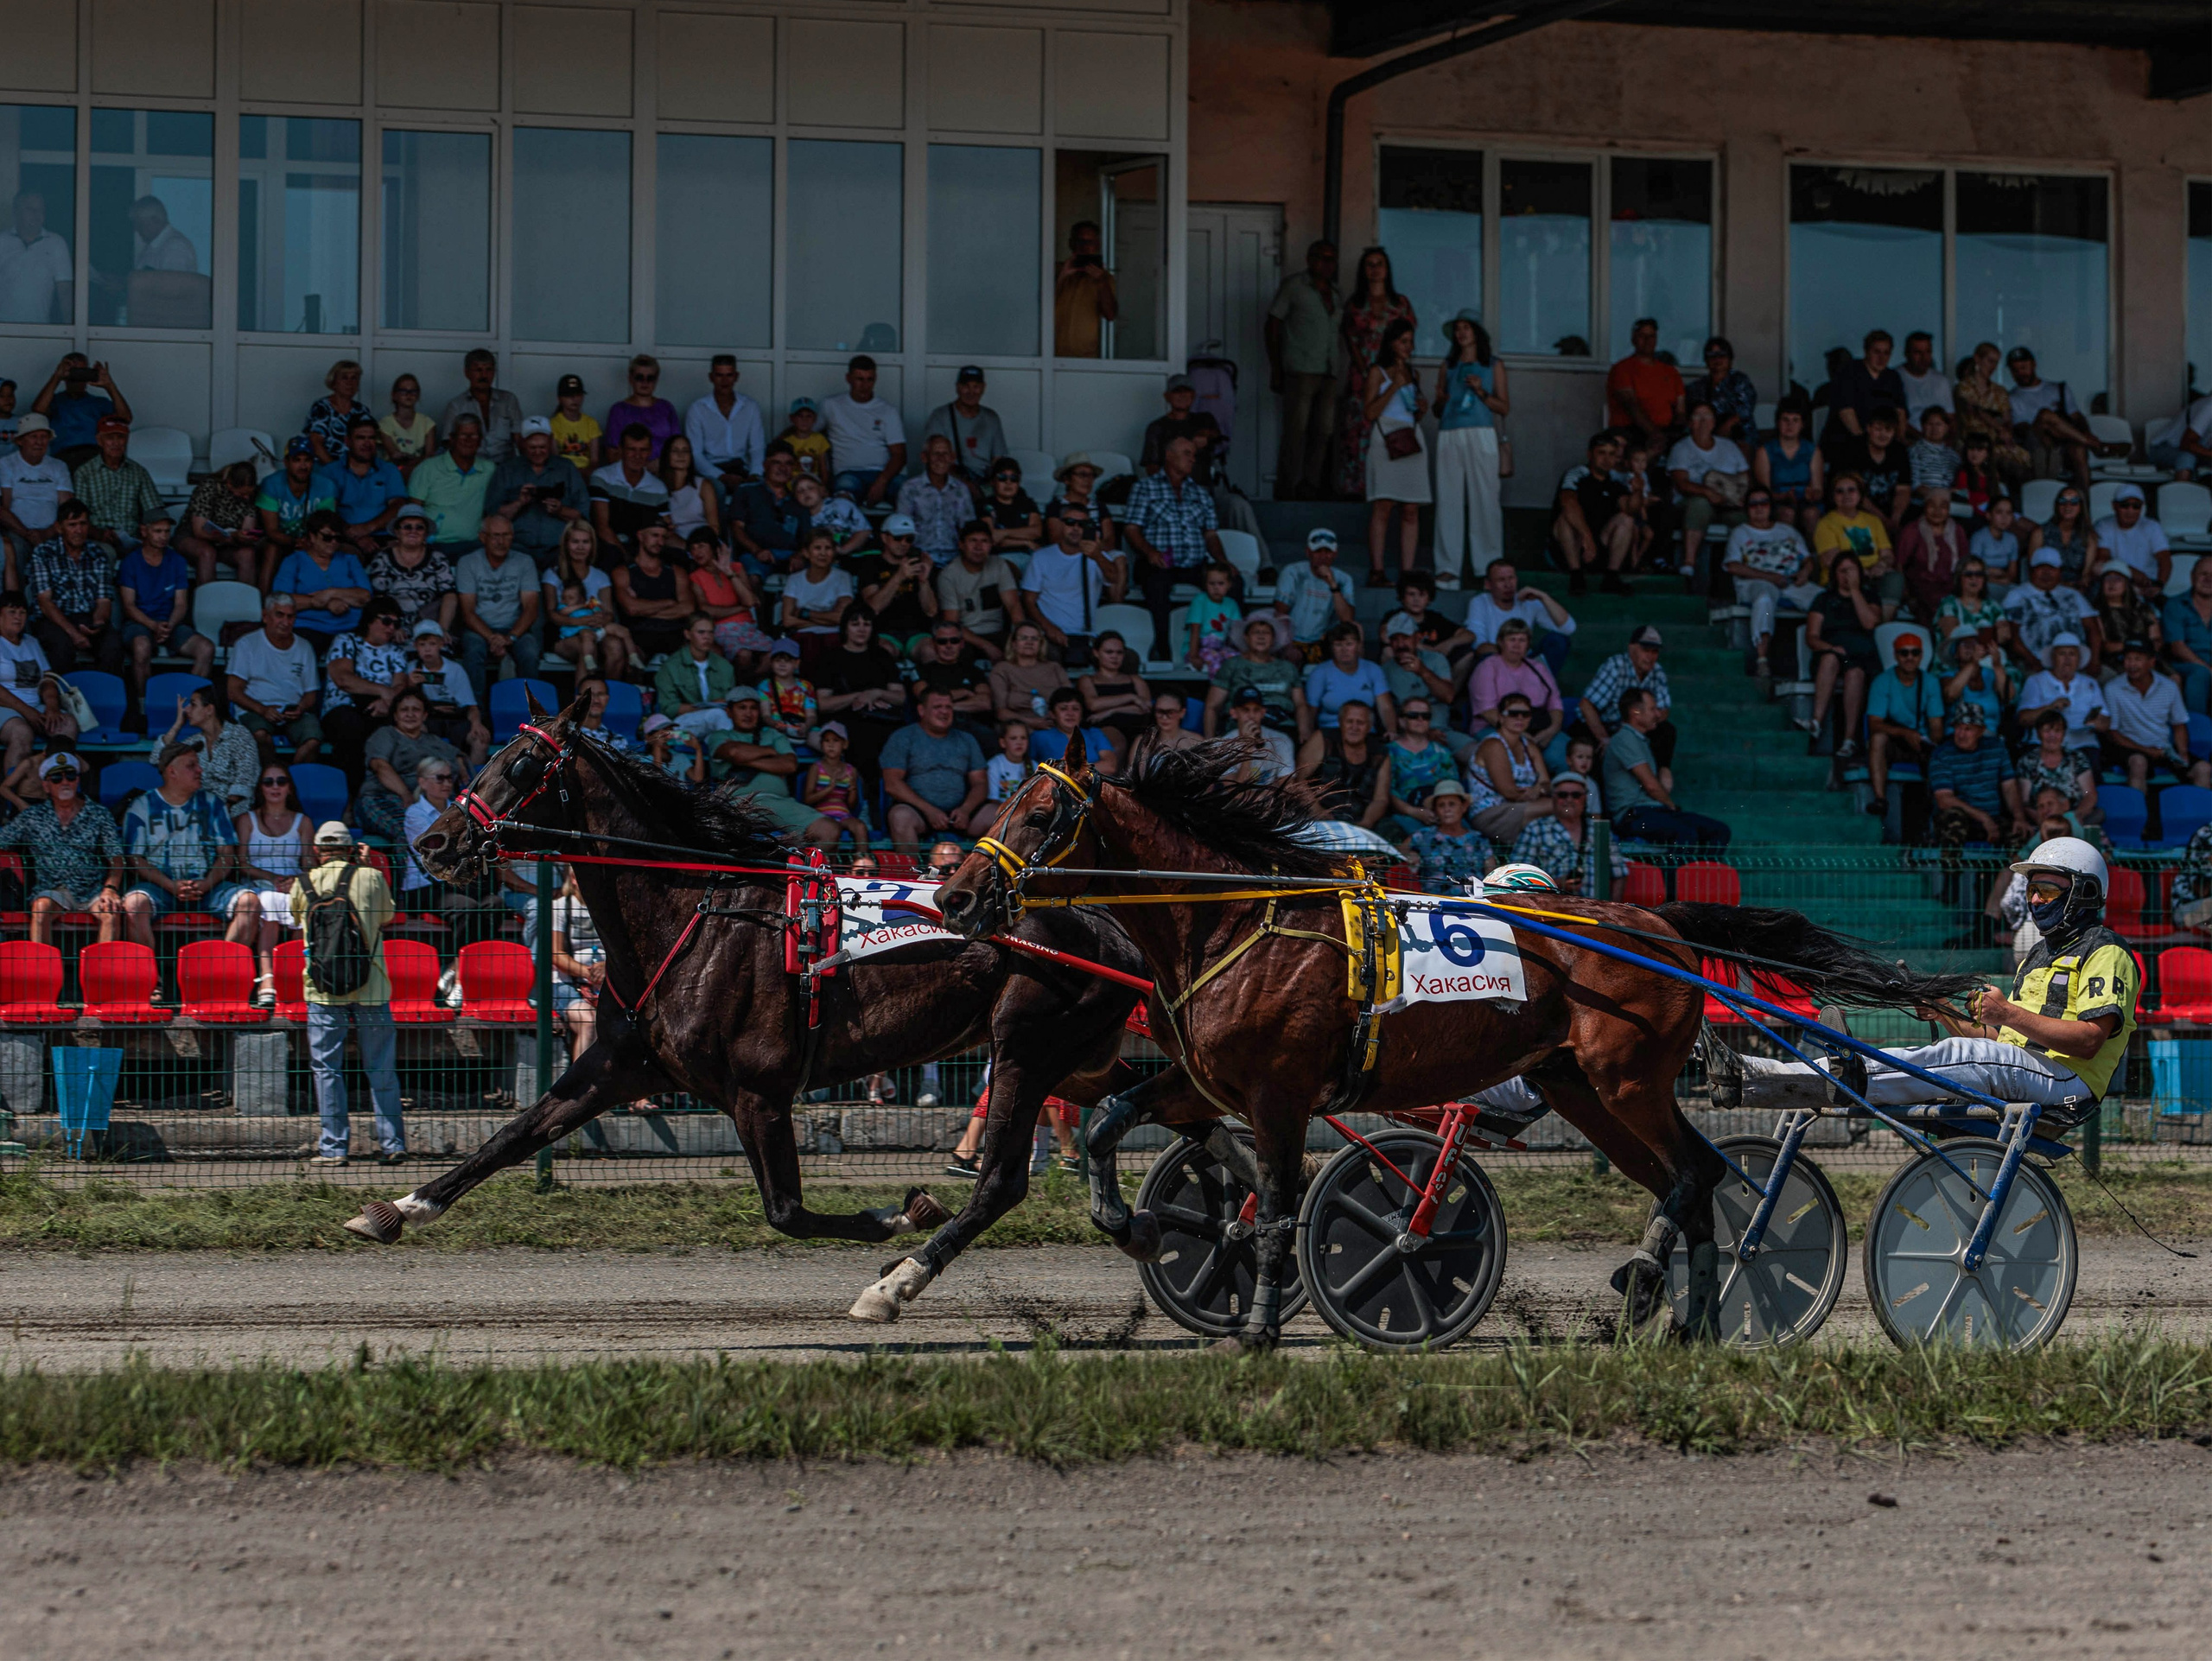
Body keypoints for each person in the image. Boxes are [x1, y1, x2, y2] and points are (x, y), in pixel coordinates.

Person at [1720, 837, 2134, 1115]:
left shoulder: (2105, 950)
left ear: (2083, 893)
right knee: (1939, 1050)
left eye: (2048, 889)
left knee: (1958, 1056)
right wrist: (1943, 1011)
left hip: (2070, 1082)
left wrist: (2008, 1013)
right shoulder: (2039, 954)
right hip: (2028, 1069)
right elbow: (2000, 1043)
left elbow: (2089, 1041)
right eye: (2031, 889)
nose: (2035, 899)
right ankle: (1752, 1075)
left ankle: (1849, 1077)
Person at [292, 821, 405, 1165]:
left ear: (317, 850)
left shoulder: (303, 883)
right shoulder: (370, 877)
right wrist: (366, 866)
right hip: (372, 986)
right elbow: (387, 915)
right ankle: (393, 1145)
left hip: (323, 990)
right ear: (351, 848)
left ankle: (333, 1148)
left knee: (327, 1069)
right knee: (381, 1068)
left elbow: (298, 921)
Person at [120, 741, 258, 949]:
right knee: (134, 905)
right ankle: (149, 970)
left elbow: (227, 855)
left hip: (208, 887)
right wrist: (170, 885)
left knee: (250, 903)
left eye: (198, 764)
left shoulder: (213, 804)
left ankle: (225, 967)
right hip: (159, 888)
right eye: (191, 765)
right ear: (172, 772)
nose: (200, 770)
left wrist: (207, 883)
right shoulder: (142, 806)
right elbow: (134, 858)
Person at [0, 752, 124, 944]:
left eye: (70, 776)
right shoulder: (32, 816)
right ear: (46, 785)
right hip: (53, 889)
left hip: (92, 889)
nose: (65, 782)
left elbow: (116, 857)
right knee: (40, 909)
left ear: (77, 781)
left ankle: (104, 964)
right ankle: (43, 964)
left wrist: (110, 888)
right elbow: (3, 839)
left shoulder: (99, 814)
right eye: (57, 778)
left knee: (111, 912)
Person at [1123, 434, 1223, 649]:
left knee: (1232, 581)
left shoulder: (1201, 493)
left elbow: (1211, 534)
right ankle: (1162, 649)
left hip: (1195, 564)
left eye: (1194, 455)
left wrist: (1223, 562)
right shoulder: (1144, 488)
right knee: (1156, 585)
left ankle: (1229, 645)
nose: (1192, 459)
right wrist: (1150, 552)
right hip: (1158, 563)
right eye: (1187, 454)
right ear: (1169, 456)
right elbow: (1132, 529)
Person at [710, 685, 842, 846]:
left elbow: (789, 765)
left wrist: (745, 758)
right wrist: (770, 751)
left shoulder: (772, 735)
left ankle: (805, 864)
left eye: (753, 708)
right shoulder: (720, 736)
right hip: (736, 803)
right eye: (742, 708)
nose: (748, 713)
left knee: (829, 830)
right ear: (729, 712)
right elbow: (734, 752)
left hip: (778, 803)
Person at [1336, 247, 1415, 500]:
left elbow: (1408, 339)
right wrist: (1366, 371)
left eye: (1379, 263)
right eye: (1369, 264)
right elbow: (1350, 341)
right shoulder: (1356, 304)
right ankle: (1357, 488)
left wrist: (1400, 373)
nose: (1375, 269)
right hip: (1363, 372)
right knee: (1359, 428)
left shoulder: (1400, 304)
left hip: (1393, 372)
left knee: (1393, 425)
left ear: (1387, 269)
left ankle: (1389, 488)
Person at [1605, 687, 1729, 848]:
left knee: (1719, 831)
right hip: (1634, 816)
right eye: (1652, 709)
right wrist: (1672, 806)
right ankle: (1676, 866)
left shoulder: (1641, 741)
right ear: (1636, 712)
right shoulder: (1624, 739)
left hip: (1655, 812)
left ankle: (1699, 866)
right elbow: (1651, 786)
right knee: (1685, 834)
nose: (1658, 714)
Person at [1266, 239, 1340, 501]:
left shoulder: (1336, 292)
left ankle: (1310, 487)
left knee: (1324, 432)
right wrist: (1276, 368)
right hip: (1300, 371)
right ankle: (1286, 491)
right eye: (1321, 257)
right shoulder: (1294, 286)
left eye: (1331, 259)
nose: (1326, 264)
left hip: (1329, 372)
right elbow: (1272, 325)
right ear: (1309, 259)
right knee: (1295, 433)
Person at [319, 595, 418, 786]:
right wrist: (383, 691)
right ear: (370, 620)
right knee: (351, 729)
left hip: (381, 710)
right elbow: (343, 679)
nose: (391, 628)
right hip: (343, 708)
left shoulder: (396, 652)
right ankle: (351, 793)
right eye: (386, 621)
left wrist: (386, 702)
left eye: (396, 624)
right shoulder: (346, 641)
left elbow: (399, 686)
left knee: (394, 732)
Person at [234, 763, 312, 1002]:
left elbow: (309, 863)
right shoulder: (247, 820)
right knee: (268, 900)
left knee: (304, 903)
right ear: (261, 788)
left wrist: (296, 881)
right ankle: (267, 978)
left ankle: (296, 975)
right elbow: (241, 862)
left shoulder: (303, 822)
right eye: (268, 782)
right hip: (258, 882)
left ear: (290, 788)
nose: (275, 787)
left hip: (293, 882)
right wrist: (271, 878)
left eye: (281, 781)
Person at [1360, 317, 1429, 582]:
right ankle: (1377, 570)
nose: (1409, 347)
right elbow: (1370, 412)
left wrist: (1420, 409)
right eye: (1403, 341)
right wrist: (1394, 387)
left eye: (1411, 342)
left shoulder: (1414, 373)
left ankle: (1407, 572)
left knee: (1411, 508)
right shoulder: (1378, 372)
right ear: (1391, 343)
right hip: (1386, 436)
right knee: (1384, 505)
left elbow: (1410, 409)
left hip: (1410, 437)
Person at [881, 686, 988, 852]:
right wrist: (929, 810)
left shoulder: (967, 740)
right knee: (900, 816)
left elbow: (980, 783)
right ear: (921, 710)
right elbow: (892, 784)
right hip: (918, 812)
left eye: (948, 707)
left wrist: (966, 809)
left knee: (999, 814)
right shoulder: (903, 737)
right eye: (937, 707)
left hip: (961, 813)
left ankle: (987, 868)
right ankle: (910, 869)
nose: (944, 712)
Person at [117, 512, 213, 697]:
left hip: (170, 623)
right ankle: (144, 705)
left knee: (206, 649)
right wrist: (153, 625)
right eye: (158, 531)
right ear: (144, 531)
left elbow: (181, 604)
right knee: (141, 647)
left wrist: (168, 626)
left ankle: (188, 705)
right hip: (139, 623)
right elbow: (129, 606)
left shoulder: (176, 560)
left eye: (167, 532)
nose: (163, 536)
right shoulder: (130, 562)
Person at [1723, 488, 1815, 677]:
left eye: (1764, 503)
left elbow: (1807, 559)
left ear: (1771, 507)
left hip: (1790, 582)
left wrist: (1805, 573)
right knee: (1764, 600)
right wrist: (1769, 577)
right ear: (1747, 508)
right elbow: (1732, 566)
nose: (1759, 508)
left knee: (1822, 599)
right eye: (1753, 504)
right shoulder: (1740, 533)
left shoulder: (1787, 531)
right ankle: (1762, 659)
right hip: (1756, 583)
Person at [225, 594, 322, 763]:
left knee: (313, 740)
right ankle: (271, 776)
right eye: (279, 615)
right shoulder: (247, 644)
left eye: (290, 616)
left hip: (293, 713)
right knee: (260, 736)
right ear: (265, 616)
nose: (286, 622)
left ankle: (292, 777)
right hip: (255, 711)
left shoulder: (304, 647)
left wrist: (300, 708)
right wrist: (263, 710)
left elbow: (310, 694)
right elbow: (233, 691)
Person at [453, 514, 543, 697]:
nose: (501, 542)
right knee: (473, 651)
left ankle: (529, 709)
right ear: (482, 537)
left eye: (506, 535)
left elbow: (531, 609)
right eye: (495, 536)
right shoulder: (468, 562)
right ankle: (475, 708)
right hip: (479, 629)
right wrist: (492, 638)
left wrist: (510, 637)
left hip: (515, 628)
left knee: (530, 652)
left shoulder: (524, 562)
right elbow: (468, 612)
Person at [1798, 555, 1880, 754]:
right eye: (1843, 571)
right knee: (1830, 659)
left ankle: (1849, 740)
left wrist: (1855, 591)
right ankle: (1816, 722)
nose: (1847, 575)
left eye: (1852, 571)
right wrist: (1831, 648)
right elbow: (1812, 636)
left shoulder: (1870, 597)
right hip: (1832, 653)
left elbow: (1870, 623)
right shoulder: (1823, 599)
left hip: (1861, 656)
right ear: (1835, 574)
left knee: (1856, 674)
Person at [2102, 638, 2207, 793]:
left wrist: (2183, 753)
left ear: (2152, 662)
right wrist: (2147, 750)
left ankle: (2202, 810)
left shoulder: (2168, 687)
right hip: (2129, 748)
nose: (2132, 664)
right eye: (2128, 659)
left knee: (2203, 769)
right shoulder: (2113, 688)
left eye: (2138, 659)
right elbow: (2113, 734)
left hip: (2162, 748)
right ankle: (2138, 808)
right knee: (2138, 763)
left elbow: (2179, 725)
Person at [29, 500, 122, 673]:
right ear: (59, 528)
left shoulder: (97, 554)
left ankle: (104, 690)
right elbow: (45, 602)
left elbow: (104, 601)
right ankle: (62, 691)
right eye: (72, 525)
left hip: (88, 617)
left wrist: (97, 624)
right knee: (61, 647)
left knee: (113, 645)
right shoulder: (43, 553)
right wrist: (73, 633)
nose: (79, 530)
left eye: (83, 524)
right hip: (54, 620)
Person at [2007, 346, 2117, 492]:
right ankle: (2095, 445)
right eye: (2015, 370)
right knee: (2045, 415)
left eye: (2023, 368)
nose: (2020, 373)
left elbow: (2076, 416)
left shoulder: (2057, 389)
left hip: (2062, 444)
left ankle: (2084, 497)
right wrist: (2049, 427)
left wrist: (2085, 431)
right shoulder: (2012, 397)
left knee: (2078, 449)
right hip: (2035, 444)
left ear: (2033, 365)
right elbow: (2021, 428)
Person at [816, 606, 907, 780]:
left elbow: (900, 697)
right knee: (862, 742)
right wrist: (859, 696)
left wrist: (877, 693)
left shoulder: (882, 656)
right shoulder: (831, 658)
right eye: (855, 624)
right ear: (845, 628)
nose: (861, 629)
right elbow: (823, 703)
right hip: (846, 721)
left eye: (867, 624)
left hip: (883, 719)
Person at [484, 416, 588, 568]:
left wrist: (560, 510)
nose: (538, 452)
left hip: (559, 549)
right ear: (522, 443)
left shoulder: (566, 468)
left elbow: (582, 515)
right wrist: (519, 503)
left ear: (551, 441)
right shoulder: (507, 469)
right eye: (532, 447)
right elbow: (492, 518)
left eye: (542, 447)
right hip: (516, 550)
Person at [1865, 630, 1945, 822]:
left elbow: (1936, 726)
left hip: (1921, 742)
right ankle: (1880, 799)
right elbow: (1874, 724)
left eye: (1915, 652)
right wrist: (1904, 733)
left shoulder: (1930, 682)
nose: (1910, 657)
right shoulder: (1883, 681)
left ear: (1921, 655)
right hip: (1895, 740)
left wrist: (1931, 745)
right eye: (1904, 652)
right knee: (1877, 739)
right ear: (1896, 655)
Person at [1021, 506, 1116, 667]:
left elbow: (1114, 578)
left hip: (1086, 635)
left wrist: (1097, 555)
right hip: (1050, 635)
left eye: (1082, 524)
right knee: (1049, 657)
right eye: (1070, 522)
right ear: (1061, 525)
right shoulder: (1041, 557)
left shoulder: (1097, 556)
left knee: (1128, 658)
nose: (1076, 528)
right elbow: (1029, 600)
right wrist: (1049, 628)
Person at [1667, 400, 1750, 582]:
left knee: (1745, 517)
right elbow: (1681, 483)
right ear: (1690, 423)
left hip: (1727, 504)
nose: (1703, 421)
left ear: (1714, 422)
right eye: (1698, 416)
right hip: (1691, 503)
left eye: (1707, 416)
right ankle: (1689, 563)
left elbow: (1745, 478)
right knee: (1700, 504)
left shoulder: (1729, 447)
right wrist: (1707, 492)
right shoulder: (1681, 448)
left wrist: (1738, 497)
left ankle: (1750, 565)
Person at [1508, 770, 1625, 897]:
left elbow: (1619, 874)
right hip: (1550, 906)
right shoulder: (1535, 829)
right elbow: (1516, 878)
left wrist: (1612, 907)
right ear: (1553, 798)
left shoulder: (1599, 830)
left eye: (1576, 795)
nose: (1569, 800)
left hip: (1594, 907)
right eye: (1562, 795)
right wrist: (1556, 884)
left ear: (1585, 798)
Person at [1574, 624, 1674, 773]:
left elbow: (1664, 709)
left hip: (1633, 727)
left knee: (1666, 731)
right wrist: (1604, 738)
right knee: (1595, 750)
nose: (1650, 656)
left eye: (1654, 651)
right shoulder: (1615, 666)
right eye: (1645, 650)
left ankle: (1662, 775)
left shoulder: (1657, 671)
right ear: (1631, 648)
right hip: (1602, 726)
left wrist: (1641, 724)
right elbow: (1586, 706)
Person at [1925, 702, 2022, 853]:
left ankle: (2017, 869)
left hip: (1993, 818)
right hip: (1963, 819)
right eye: (1958, 727)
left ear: (1981, 731)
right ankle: (1950, 869)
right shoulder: (1942, 754)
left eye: (1968, 729)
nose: (1961, 734)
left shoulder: (1996, 748)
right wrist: (1983, 817)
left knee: (2020, 834)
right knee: (1953, 822)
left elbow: (2009, 787)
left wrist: (2019, 817)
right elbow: (1944, 799)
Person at [1553, 430, 1640, 595]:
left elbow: (1630, 509)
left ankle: (1611, 577)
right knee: (1565, 518)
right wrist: (1587, 537)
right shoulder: (1577, 473)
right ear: (1590, 454)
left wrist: (1638, 491)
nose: (1607, 459)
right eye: (1601, 453)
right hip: (1573, 548)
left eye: (1611, 454)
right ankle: (1576, 575)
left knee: (1626, 519)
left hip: (1599, 547)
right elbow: (1568, 502)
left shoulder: (1615, 481)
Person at [271, 511, 372, 648]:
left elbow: (365, 596)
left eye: (338, 538)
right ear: (312, 536)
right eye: (327, 537)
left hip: (350, 629)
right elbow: (281, 600)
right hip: (307, 628)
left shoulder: (350, 560)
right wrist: (320, 603)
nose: (333, 542)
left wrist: (330, 593)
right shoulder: (293, 561)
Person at [1464, 692, 1554, 844]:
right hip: (1492, 812)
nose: (1520, 718)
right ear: (1501, 717)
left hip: (1524, 806)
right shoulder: (1493, 744)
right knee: (1561, 807)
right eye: (1513, 713)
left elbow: (1546, 784)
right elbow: (1509, 792)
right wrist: (1535, 792)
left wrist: (1539, 790)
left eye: (1525, 714)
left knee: (1559, 817)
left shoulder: (1529, 746)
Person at [820, 355, 907, 505]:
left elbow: (899, 454)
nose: (865, 385)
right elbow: (805, 431)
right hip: (848, 474)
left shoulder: (888, 411)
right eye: (859, 379)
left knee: (908, 493)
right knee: (843, 497)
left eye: (870, 380)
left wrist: (881, 482)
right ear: (848, 378)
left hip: (883, 474)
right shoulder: (831, 405)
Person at [69, 415, 162, 555]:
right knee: (107, 553)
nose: (116, 443)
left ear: (127, 440)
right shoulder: (85, 473)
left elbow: (153, 509)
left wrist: (147, 533)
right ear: (99, 440)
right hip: (99, 539)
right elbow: (80, 514)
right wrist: (99, 533)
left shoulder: (138, 472)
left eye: (121, 437)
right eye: (110, 438)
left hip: (132, 539)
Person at [0, 589, 69, 774]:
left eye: (22, 612)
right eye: (12, 612)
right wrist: (27, 711)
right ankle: (12, 791)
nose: (18, 617)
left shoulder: (31, 642)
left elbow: (47, 679)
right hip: (5, 709)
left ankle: (59, 784)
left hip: (35, 707)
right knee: (21, 733)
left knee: (66, 725)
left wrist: (52, 707)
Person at [1202, 613, 1303, 736]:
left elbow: (1300, 705)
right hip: (1239, 728)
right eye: (1256, 632)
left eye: (1266, 633)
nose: (1261, 637)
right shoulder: (1232, 665)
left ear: (1273, 638)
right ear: (1246, 637)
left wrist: (1305, 734)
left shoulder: (1288, 668)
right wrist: (1209, 741)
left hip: (1281, 728)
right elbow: (1212, 706)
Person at [1467, 620, 1563, 749]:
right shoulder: (1488, 667)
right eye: (1512, 640)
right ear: (1501, 642)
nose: (1517, 645)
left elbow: (1555, 704)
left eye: (1522, 640)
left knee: (1566, 751)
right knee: (1518, 751)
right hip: (1496, 727)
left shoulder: (1538, 667)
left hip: (1538, 727)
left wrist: (1551, 730)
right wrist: (1520, 735)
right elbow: (1488, 711)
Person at [366, 502, 458, 636]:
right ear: (397, 532)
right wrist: (392, 627)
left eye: (419, 528)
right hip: (392, 627)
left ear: (425, 534)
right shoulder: (383, 558)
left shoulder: (438, 558)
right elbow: (379, 599)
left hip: (430, 626)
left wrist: (442, 629)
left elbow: (449, 595)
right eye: (407, 527)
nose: (413, 531)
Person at [405, 619, 488, 766]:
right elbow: (405, 704)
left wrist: (476, 724)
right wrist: (411, 685)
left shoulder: (455, 669)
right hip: (428, 718)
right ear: (415, 646)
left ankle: (474, 778)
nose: (427, 649)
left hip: (455, 718)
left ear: (441, 644)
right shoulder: (412, 668)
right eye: (422, 645)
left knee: (480, 739)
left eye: (432, 644)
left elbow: (471, 706)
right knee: (416, 732)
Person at [1296, 697, 1389, 828]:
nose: (1354, 727)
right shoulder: (1323, 739)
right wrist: (1322, 815)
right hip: (1318, 817)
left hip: (1361, 821)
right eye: (1349, 721)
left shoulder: (1379, 751)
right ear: (1340, 722)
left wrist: (1366, 823)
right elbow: (1299, 783)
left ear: (1369, 726)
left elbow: (1381, 799)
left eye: (1360, 723)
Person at [2003, 547, 2096, 674]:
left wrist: (2093, 660)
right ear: (2031, 570)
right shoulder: (2017, 595)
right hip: (2035, 661)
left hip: (2076, 663)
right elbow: (2013, 636)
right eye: (2041, 568)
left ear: (2060, 571)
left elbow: (2093, 629)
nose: (2046, 573)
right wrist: (2033, 661)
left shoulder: (2073, 595)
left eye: (2052, 569)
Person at [1270, 525, 1356, 664]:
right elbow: (1280, 612)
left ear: (1335, 554)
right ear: (1308, 552)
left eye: (1328, 552)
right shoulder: (1293, 572)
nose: (1323, 557)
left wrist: (1332, 584)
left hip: (1324, 640)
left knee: (1356, 629)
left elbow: (1347, 618)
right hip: (1292, 638)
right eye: (1318, 551)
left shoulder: (1344, 579)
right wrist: (1288, 645)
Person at [0, 412, 77, 565]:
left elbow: (67, 507)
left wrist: (47, 532)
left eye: (44, 437)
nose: (39, 442)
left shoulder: (59, 467)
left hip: (53, 532)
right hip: (17, 532)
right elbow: (3, 509)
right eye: (33, 437)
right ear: (20, 441)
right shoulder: (5, 465)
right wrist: (28, 534)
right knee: (16, 549)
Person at [1605, 315, 1685, 460]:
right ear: (1633, 339)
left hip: (1666, 432)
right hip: (1632, 432)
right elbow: (1631, 405)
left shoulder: (1670, 372)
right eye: (1642, 336)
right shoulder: (1622, 369)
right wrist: (1655, 434)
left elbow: (1681, 410)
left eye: (1651, 336)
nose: (1647, 340)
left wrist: (1674, 434)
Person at [2017, 633, 2109, 756]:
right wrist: (2050, 707)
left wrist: (2098, 723)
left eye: (2072, 654)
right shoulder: (2036, 681)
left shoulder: (2090, 683)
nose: (2067, 659)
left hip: (2083, 744)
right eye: (2062, 654)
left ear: (2079, 659)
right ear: (2053, 658)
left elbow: (2105, 718)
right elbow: (2023, 719)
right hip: (2044, 744)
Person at [937, 519, 1021, 652]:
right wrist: (986, 646)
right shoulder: (948, 575)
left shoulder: (999, 565)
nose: (978, 547)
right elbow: (952, 623)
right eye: (973, 541)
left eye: (984, 541)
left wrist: (1021, 637)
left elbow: (1013, 606)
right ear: (961, 545)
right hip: (967, 637)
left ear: (991, 545)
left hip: (998, 633)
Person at [410, 413, 494, 547]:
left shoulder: (489, 469)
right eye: (463, 435)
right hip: (433, 545)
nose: (468, 440)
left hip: (473, 545)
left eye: (473, 435)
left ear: (480, 440)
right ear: (452, 438)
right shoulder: (428, 468)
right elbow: (413, 510)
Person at [1821, 329, 1908, 459]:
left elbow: (1900, 412)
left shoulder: (1892, 377)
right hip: (1848, 442)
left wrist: (1899, 440)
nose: (1882, 358)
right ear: (1866, 351)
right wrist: (1863, 444)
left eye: (1886, 353)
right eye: (1877, 352)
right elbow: (1846, 411)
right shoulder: (1849, 372)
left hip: (1883, 444)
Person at [178, 459, 266, 587]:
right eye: (242, 494)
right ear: (229, 484)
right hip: (193, 537)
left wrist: (244, 537)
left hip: (227, 543)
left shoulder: (251, 495)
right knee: (207, 552)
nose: (246, 497)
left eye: (248, 494)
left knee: (247, 554)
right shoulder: (209, 488)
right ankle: (208, 597)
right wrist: (231, 536)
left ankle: (246, 598)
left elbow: (247, 527)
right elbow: (199, 531)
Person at [684, 354, 766, 493]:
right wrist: (720, 476)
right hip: (711, 469)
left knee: (759, 492)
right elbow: (695, 453)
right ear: (711, 377)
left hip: (743, 468)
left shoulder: (750, 407)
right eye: (719, 375)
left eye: (729, 375)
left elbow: (757, 447)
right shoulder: (698, 409)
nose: (724, 381)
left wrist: (755, 474)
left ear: (736, 377)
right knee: (717, 490)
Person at [895, 435, 977, 566]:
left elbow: (968, 529)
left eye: (945, 454)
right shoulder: (909, 488)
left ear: (952, 458)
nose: (941, 458)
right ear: (924, 457)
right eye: (935, 454)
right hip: (920, 557)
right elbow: (903, 528)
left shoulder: (961, 489)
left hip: (955, 558)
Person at [31, 354, 127, 467]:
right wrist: (57, 377)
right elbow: (38, 411)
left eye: (82, 372)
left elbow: (125, 418)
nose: (78, 377)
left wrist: (109, 386)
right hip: (64, 456)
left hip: (93, 455)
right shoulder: (55, 401)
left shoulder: (99, 403)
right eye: (74, 371)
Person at [1302, 620, 1393, 735]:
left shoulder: (1373, 670)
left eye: (1349, 644)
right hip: (1331, 731)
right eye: (1338, 645)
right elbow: (1310, 710)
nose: (1344, 650)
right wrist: (1308, 736)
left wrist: (1392, 731)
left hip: (1365, 733)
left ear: (1359, 645)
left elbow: (1385, 707)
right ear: (1332, 648)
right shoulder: (1320, 673)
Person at [1753, 398, 1825, 540]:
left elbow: (1818, 489)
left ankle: (1812, 552)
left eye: (1795, 420)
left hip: (1806, 502)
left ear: (1802, 424)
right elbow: (1763, 492)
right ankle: (1784, 551)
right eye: (1785, 420)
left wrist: (1812, 494)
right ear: (1778, 423)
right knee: (1787, 513)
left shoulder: (1812, 450)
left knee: (1811, 514)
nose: (1790, 425)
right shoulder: (1765, 451)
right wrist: (1783, 496)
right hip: (1777, 501)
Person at [438, 347, 524, 464]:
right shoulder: (456, 405)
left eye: (489, 370)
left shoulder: (508, 400)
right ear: (467, 373)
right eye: (478, 370)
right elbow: (449, 444)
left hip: (505, 467)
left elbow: (519, 438)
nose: (484, 375)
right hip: (472, 467)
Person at [1897, 485, 1969, 623]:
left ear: (1949, 509)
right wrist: (1907, 595)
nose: (1937, 511)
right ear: (1925, 507)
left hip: (1951, 590)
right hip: (1920, 591)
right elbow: (1900, 564)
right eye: (1932, 505)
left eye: (1943, 506)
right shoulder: (1912, 530)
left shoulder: (1957, 531)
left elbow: (1965, 564)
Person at [923, 366, 1007, 484]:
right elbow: (934, 460)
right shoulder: (940, 416)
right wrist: (967, 485)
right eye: (966, 386)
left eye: (976, 387)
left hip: (984, 481)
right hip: (950, 480)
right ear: (958, 388)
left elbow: (998, 459)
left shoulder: (991, 418)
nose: (971, 392)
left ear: (983, 388)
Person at [0, 189, 72, 326]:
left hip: (39, 330)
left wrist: (69, 329)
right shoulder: (2, 241)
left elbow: (65, 291)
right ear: (16, 212)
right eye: (30, 209)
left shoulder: (56, 243)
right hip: (3, 331)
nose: (36, 214)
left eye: (40, 210)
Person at [2016, 707, 2099, 823]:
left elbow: (2089, 794)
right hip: (2041, 820)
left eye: (2057, 731)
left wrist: (2076, 817)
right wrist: (2046, 822)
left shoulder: (2077, 758)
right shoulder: (2027, 761)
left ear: (2064, 734)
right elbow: (2025, 802)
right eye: (2047, 731)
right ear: (2038, 734)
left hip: (2075, 818)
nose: (2052, 736)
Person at [1404, 776, 1486, 893]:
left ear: (1463, 807)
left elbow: (1490, 875)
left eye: (1452, 804)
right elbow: (1397, 853)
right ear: (1436, 810)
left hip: (1473, 901)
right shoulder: (1423, 836)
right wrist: (1410, 855)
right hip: (1434, 901)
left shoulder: (1478, 839)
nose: (1447, 809)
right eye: (1441, 805)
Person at [726, 444, 802, 567]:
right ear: (765, 465)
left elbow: (807, 537)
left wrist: (799, 556)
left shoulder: (799, 499)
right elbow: (737, 528)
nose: (783, 468)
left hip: (790, 557)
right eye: (776, 463)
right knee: (752, 571)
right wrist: (756, 550)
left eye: (788, 463)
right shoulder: (746, 491)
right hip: (754, 555)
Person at [1053, 220, 1119, 359]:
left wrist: (1101, 282)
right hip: (1049, 354)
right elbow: (1035, 308)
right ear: (1071, 244)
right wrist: (1062, 276)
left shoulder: (1105, 279)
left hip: (1085, 356)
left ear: (1097, 245)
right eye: (1080, 241)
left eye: (1090, 242)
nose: (1085, 247)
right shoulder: (1054, 271)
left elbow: (1110, 315)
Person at [2092, 484, 2171, 596]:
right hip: (2115, 584)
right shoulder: (2103, 525)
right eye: (2125, 505)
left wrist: (2159, 585)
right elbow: (2103, 558)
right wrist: (2130, 571)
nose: (2130, 510)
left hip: (2147, 584)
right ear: (2114, 506)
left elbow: (2165, 559)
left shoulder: (2152, 527)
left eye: (2136, 506)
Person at [1076, 631, 1152, 748]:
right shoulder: (1087, 680)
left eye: (1119, 652)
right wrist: (1131, 698)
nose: (1114, 656)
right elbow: (1093, 704)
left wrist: (1111, 711)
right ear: (1096, 653)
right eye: (1109, 652)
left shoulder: (1135, 679)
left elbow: (1146, 706)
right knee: (1115, 742)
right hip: (1105, 728)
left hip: (1138, 727)